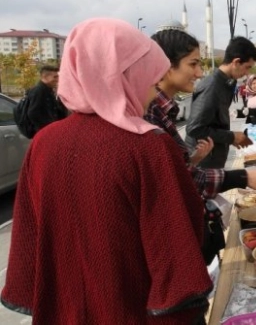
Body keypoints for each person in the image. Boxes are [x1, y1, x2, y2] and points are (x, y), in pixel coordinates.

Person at [0, 18, 212, 323]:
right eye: (148, 78)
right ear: (123, 75)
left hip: (64, 311)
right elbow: (176, 250)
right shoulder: (148, 146)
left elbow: (29, 240)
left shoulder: (43, 143)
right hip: (130, 311)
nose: (153, 89)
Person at [147, 29, 256, 264]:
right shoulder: (152, 114)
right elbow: (195, 131)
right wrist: (232, 140)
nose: (199, 73)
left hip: (204, 165)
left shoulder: (219, 86)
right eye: (193, 64)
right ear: (166, 66)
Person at [187, 36, 256, 169]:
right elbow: (194, 128)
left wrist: (230, 139)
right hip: (202, 163)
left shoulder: (227, 82)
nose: (247, 74)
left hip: (213, 160)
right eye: (247, 67)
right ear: (236, 62)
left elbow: (215, 122)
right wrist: (231, 137)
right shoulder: (212, 86)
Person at [23, 65, 69, 136]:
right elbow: (33, 113)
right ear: (45, 77)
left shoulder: (47, 90)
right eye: (55, 77)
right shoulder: (39, 91)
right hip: (45, 133)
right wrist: (48, 128)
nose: (58, 79)